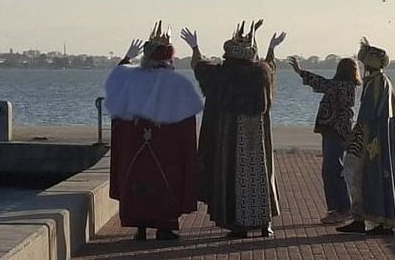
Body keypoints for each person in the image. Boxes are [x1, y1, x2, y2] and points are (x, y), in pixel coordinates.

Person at [180, 21, 286, 238]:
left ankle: (238, 224)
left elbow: (200, 67)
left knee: (232, 175)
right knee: (261, 174)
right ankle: (264, 223)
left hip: (230, 135)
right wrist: (272, 49)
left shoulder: (222, 74)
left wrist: (195, 47)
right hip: (257, 135)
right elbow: (271, 66)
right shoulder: (262, 74)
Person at [104, 23, 204, 241]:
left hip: (137, 144)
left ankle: (140, 227)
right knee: (164, 180)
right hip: (165, 147)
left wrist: (125, 59)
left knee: (139, 180)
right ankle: (163, 227)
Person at [336, 38, 395, 235]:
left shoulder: (377, 83)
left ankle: (368, 218)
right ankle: (365, 217)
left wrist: (354, 136)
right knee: (361, 175)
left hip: (371, 140)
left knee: (357, 173)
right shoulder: (382, 81)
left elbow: (367, 114)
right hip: (377, 139)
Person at [288, 56, 361, 224]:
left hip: (336, 130)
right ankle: (337, 208)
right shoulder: (346, 86)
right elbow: (325, 85)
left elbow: (324, 84)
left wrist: (301, 72)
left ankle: (342, 208)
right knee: (330, 169)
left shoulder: (344, 87)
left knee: (333, 168)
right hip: (333, 130)